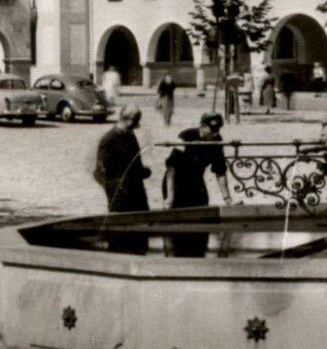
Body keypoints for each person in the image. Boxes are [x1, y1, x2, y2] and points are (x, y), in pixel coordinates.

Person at [163, 112, 233, 258]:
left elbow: (220, 170)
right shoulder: (186, 136)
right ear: (202, 126)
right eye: (212, 130)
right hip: (176, 182)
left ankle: (199, 257)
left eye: (218, 130)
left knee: (202, 217)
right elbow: (171, 168)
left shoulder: (216, 140)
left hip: (196, 182)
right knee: (176, 222)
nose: (215, 133)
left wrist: (227, 198)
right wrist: (169, 198)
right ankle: (174, 257)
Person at [93, 104, 151, 253]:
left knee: (141, 226)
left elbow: (133, 162)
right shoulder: (109, 139)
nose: (136, 126)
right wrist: (114, 187)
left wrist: (142, 171)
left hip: (136, 189)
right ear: (130, 120)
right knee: (119, 230)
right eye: (136, 121)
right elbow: (99, 171)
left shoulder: (129, 134)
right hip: (120, 193)